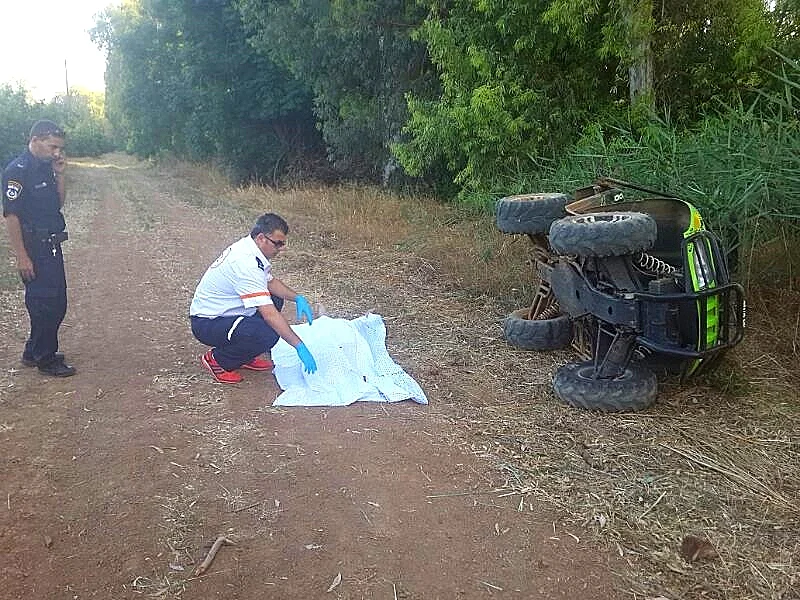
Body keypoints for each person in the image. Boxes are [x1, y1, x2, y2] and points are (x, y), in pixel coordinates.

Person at [189, 212, 318, 384]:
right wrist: (299, 346)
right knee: (268, 334)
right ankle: (217, 360)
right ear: (261, 238)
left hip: (225, 314)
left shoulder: (250, 249)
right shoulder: (245, 264)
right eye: (278, 244)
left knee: (275, 298)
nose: (281, 248)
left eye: (283, 243)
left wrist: (298, 298)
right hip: (208, 322)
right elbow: (270, 315)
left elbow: (270, 283)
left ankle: (244, 354)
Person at [2, 119, 75, 377]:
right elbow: (11, 217)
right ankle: (46, 358)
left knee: (57, 301)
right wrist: (22, 256)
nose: (57, 152)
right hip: (34, 248)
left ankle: (33, 350)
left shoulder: (46, 167)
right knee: (45, 304)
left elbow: (57, 203)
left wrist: (60, 173)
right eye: (53, 146)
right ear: (36, 140)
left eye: (59, 148)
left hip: (52, 244)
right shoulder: (17, 171)